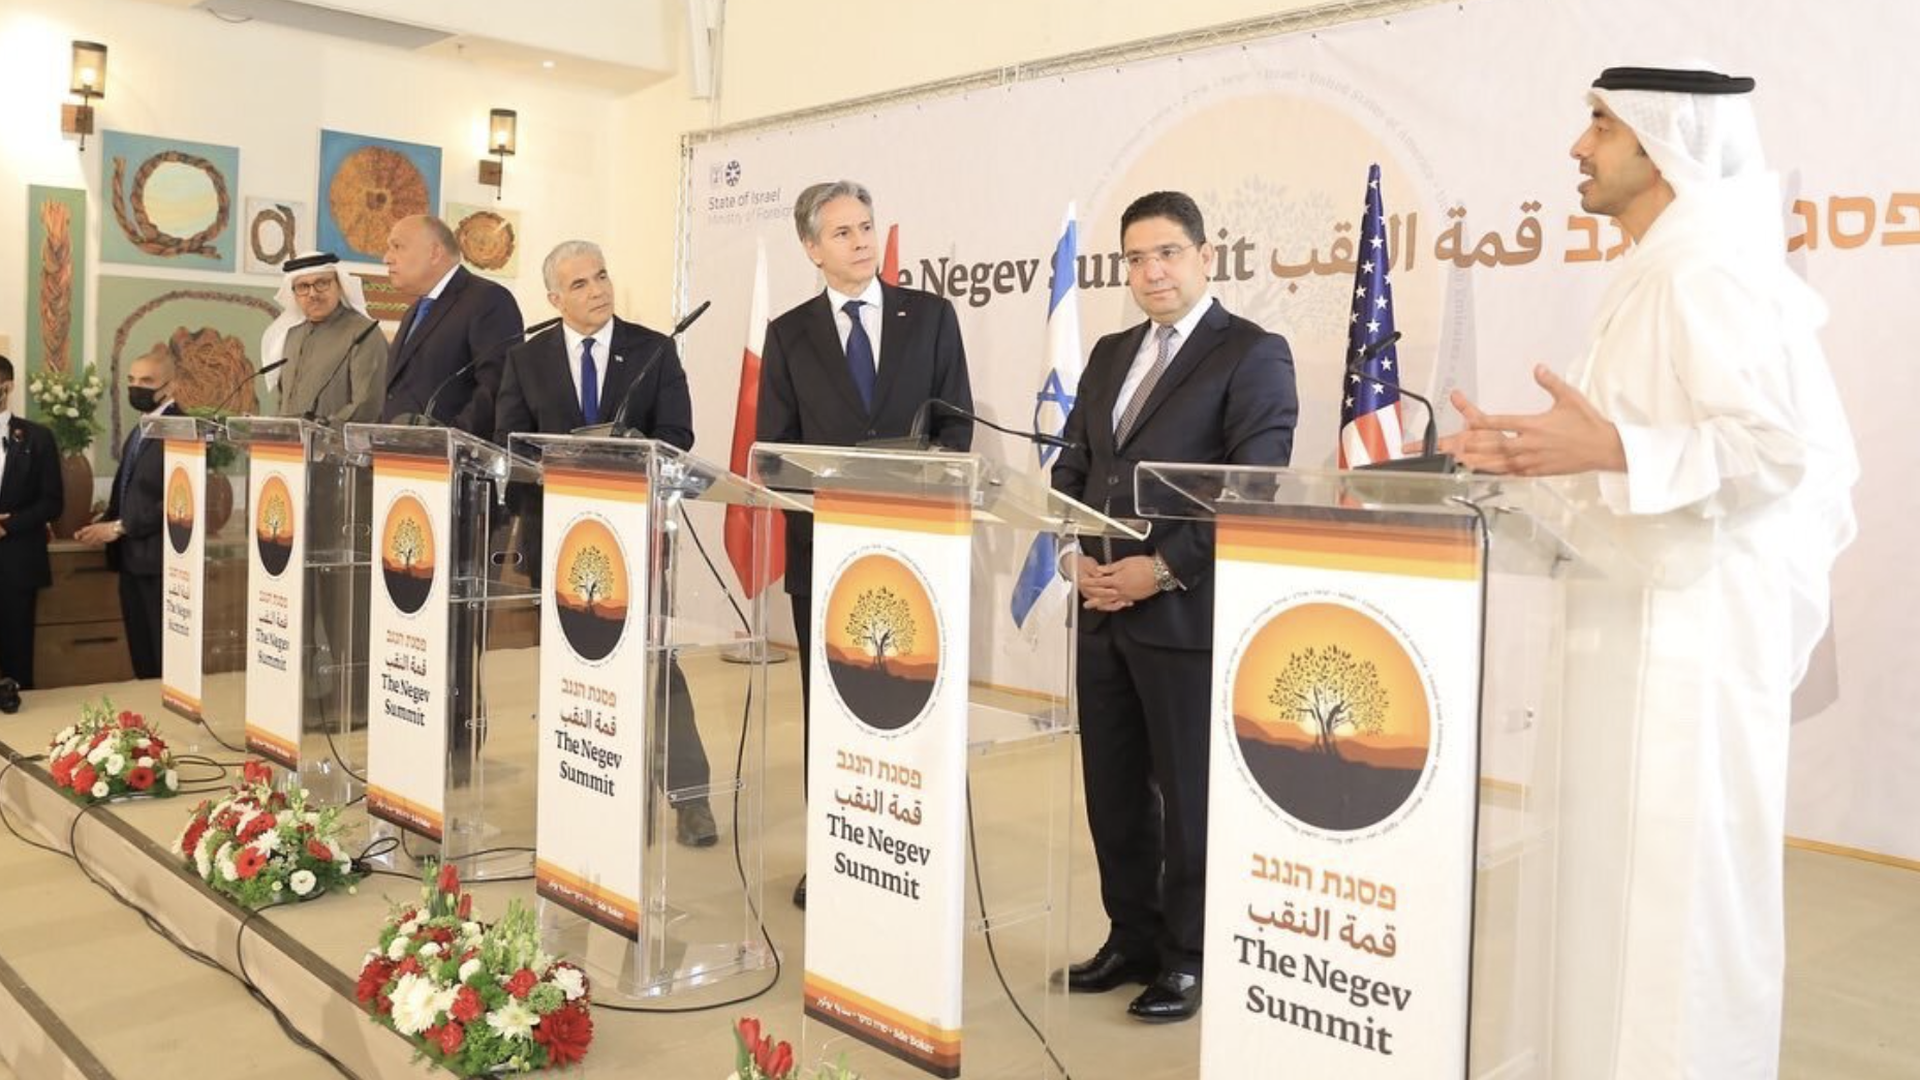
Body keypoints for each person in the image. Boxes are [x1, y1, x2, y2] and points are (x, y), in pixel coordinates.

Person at [1438, 66, 1857, 1079]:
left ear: (1665, 142)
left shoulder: (1707, 271)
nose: (1578, 148)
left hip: (1691, 655)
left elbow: (1780, 453)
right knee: (1616, 906)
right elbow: (1634, 455)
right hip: (1635, 634)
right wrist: (1530, 468)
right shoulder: (1658, 272)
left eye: (1599, 125)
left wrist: (1610, 452)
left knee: (1677, 920)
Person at [1051, 191, 1298, 1023]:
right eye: (1135, 258)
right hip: (1101, 608)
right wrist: (1075, 555)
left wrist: (1161, 570)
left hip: (1184, 616)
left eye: (1166, 253)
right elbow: (1074, 470)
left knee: (1189, 796)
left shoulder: (1252, 354)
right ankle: (1134, 934)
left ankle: (1192, 955)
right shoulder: (1111, 352)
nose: (1150, 272)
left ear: (1204, 255)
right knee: (1112, 786)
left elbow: (1250, 488)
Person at [757, 180, 975, 909]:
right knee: (834, 709)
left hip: (914, 553)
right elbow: (776, 452)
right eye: (843, 232)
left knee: (906, 703)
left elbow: (956, 429)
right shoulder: (788, 334)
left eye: (867, 227)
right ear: (812, 248)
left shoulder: (932, 318)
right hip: (825, 555)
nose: (860, 242)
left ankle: (912, 846)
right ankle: (836, 846)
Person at [495, 240, 717, 847]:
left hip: (637, 533)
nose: (597, 291)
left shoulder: (653, 350)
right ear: (553, 299)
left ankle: (689, 795)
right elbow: (510, 446)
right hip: (562, 539)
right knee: (573, 667)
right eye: (580, 284)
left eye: (601, 277)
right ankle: (584, 779)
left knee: (656, 663)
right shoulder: (527, 358)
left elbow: (678, 433)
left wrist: (629, 447)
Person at [76, 351, 185, 679]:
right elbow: (130, 488)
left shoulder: (181, 430)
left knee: (163, 659)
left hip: (160, 565)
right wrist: (103, 522)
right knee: (142, 657)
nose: (136, 387)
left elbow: (177, 501)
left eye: (147, 381)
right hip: (131, 561)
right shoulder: (141, 429)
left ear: (172, 385)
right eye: (131, 380)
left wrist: (119, 527)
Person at [377, 215, 523, 439]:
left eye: (397, 247)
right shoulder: (413, 312)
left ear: (435, 252)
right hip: (401, 460)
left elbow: (496, 386)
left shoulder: (487, 300)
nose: (386, 258)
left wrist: (450, 440)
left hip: (452, 461)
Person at [0, 355, 64, 689]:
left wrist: (8, 525)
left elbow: (53, 502)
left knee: (17, 647)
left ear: (6, 386)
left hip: (17, 560)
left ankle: (16, 709)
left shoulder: (37, 438)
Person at [265, 251, 386, 425]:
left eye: (322, 283)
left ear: (339, 286)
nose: (312, 294)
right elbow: (284, 401)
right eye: (303, 287)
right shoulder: (292, 335)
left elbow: (368, 404)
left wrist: (325, 430)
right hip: (290, 449)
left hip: (339, 448)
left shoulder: (364, 332)